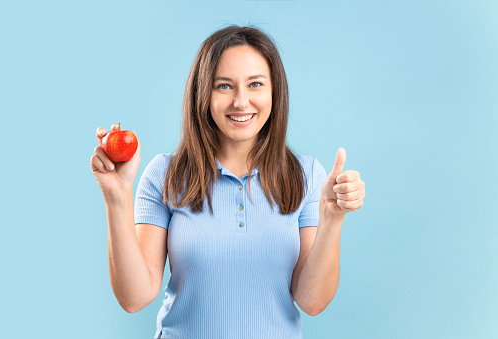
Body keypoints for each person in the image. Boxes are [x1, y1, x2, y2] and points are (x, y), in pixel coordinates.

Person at [91, 25, 365, 339]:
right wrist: (117, 194)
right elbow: (134, 297)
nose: (241, 101)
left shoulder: (306, 175)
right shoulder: (165, 174)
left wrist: (332, 218)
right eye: (224, 86)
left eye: (255, 84)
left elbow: (312, 302)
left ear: (274, 92)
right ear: (203, 92)